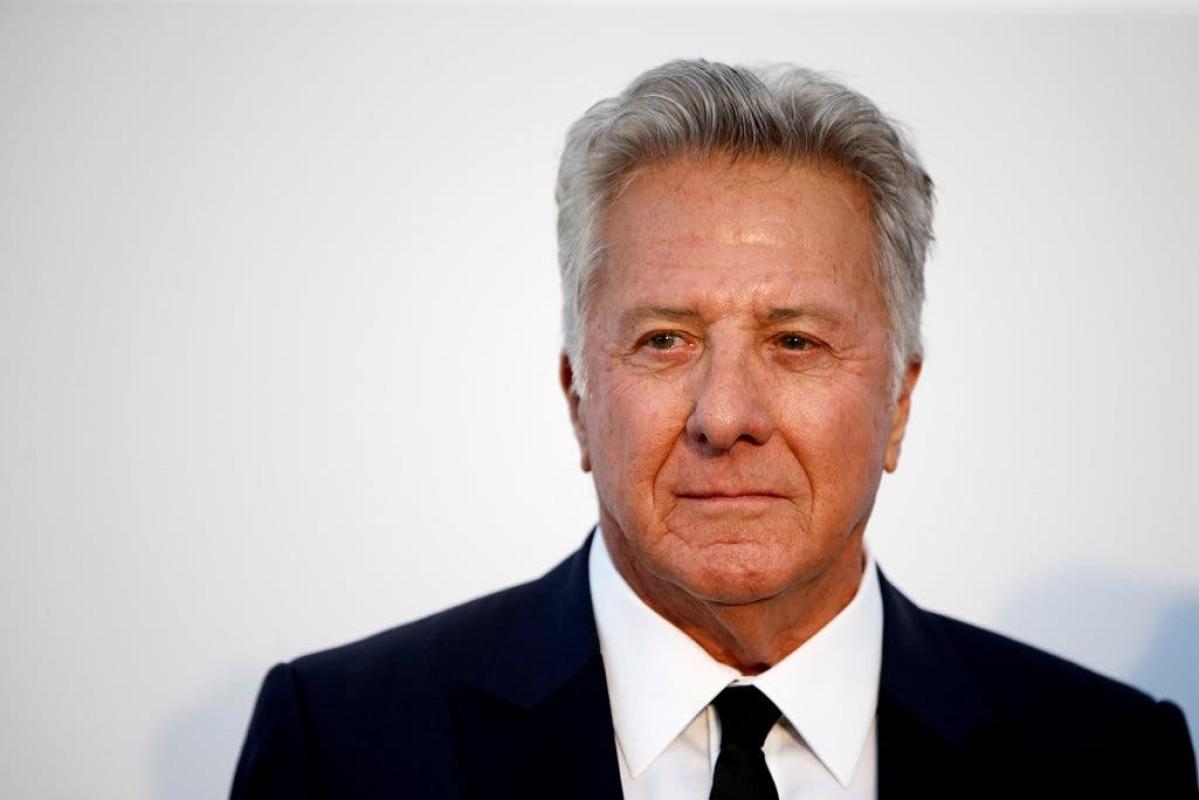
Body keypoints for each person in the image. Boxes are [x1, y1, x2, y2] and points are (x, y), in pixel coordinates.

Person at [230, 59, 1197, 799]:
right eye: (663, 340)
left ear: (898, 403)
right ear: (577, 398)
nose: (725, 418)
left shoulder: (1110, 760)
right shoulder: (341, 746)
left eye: (795, 342)